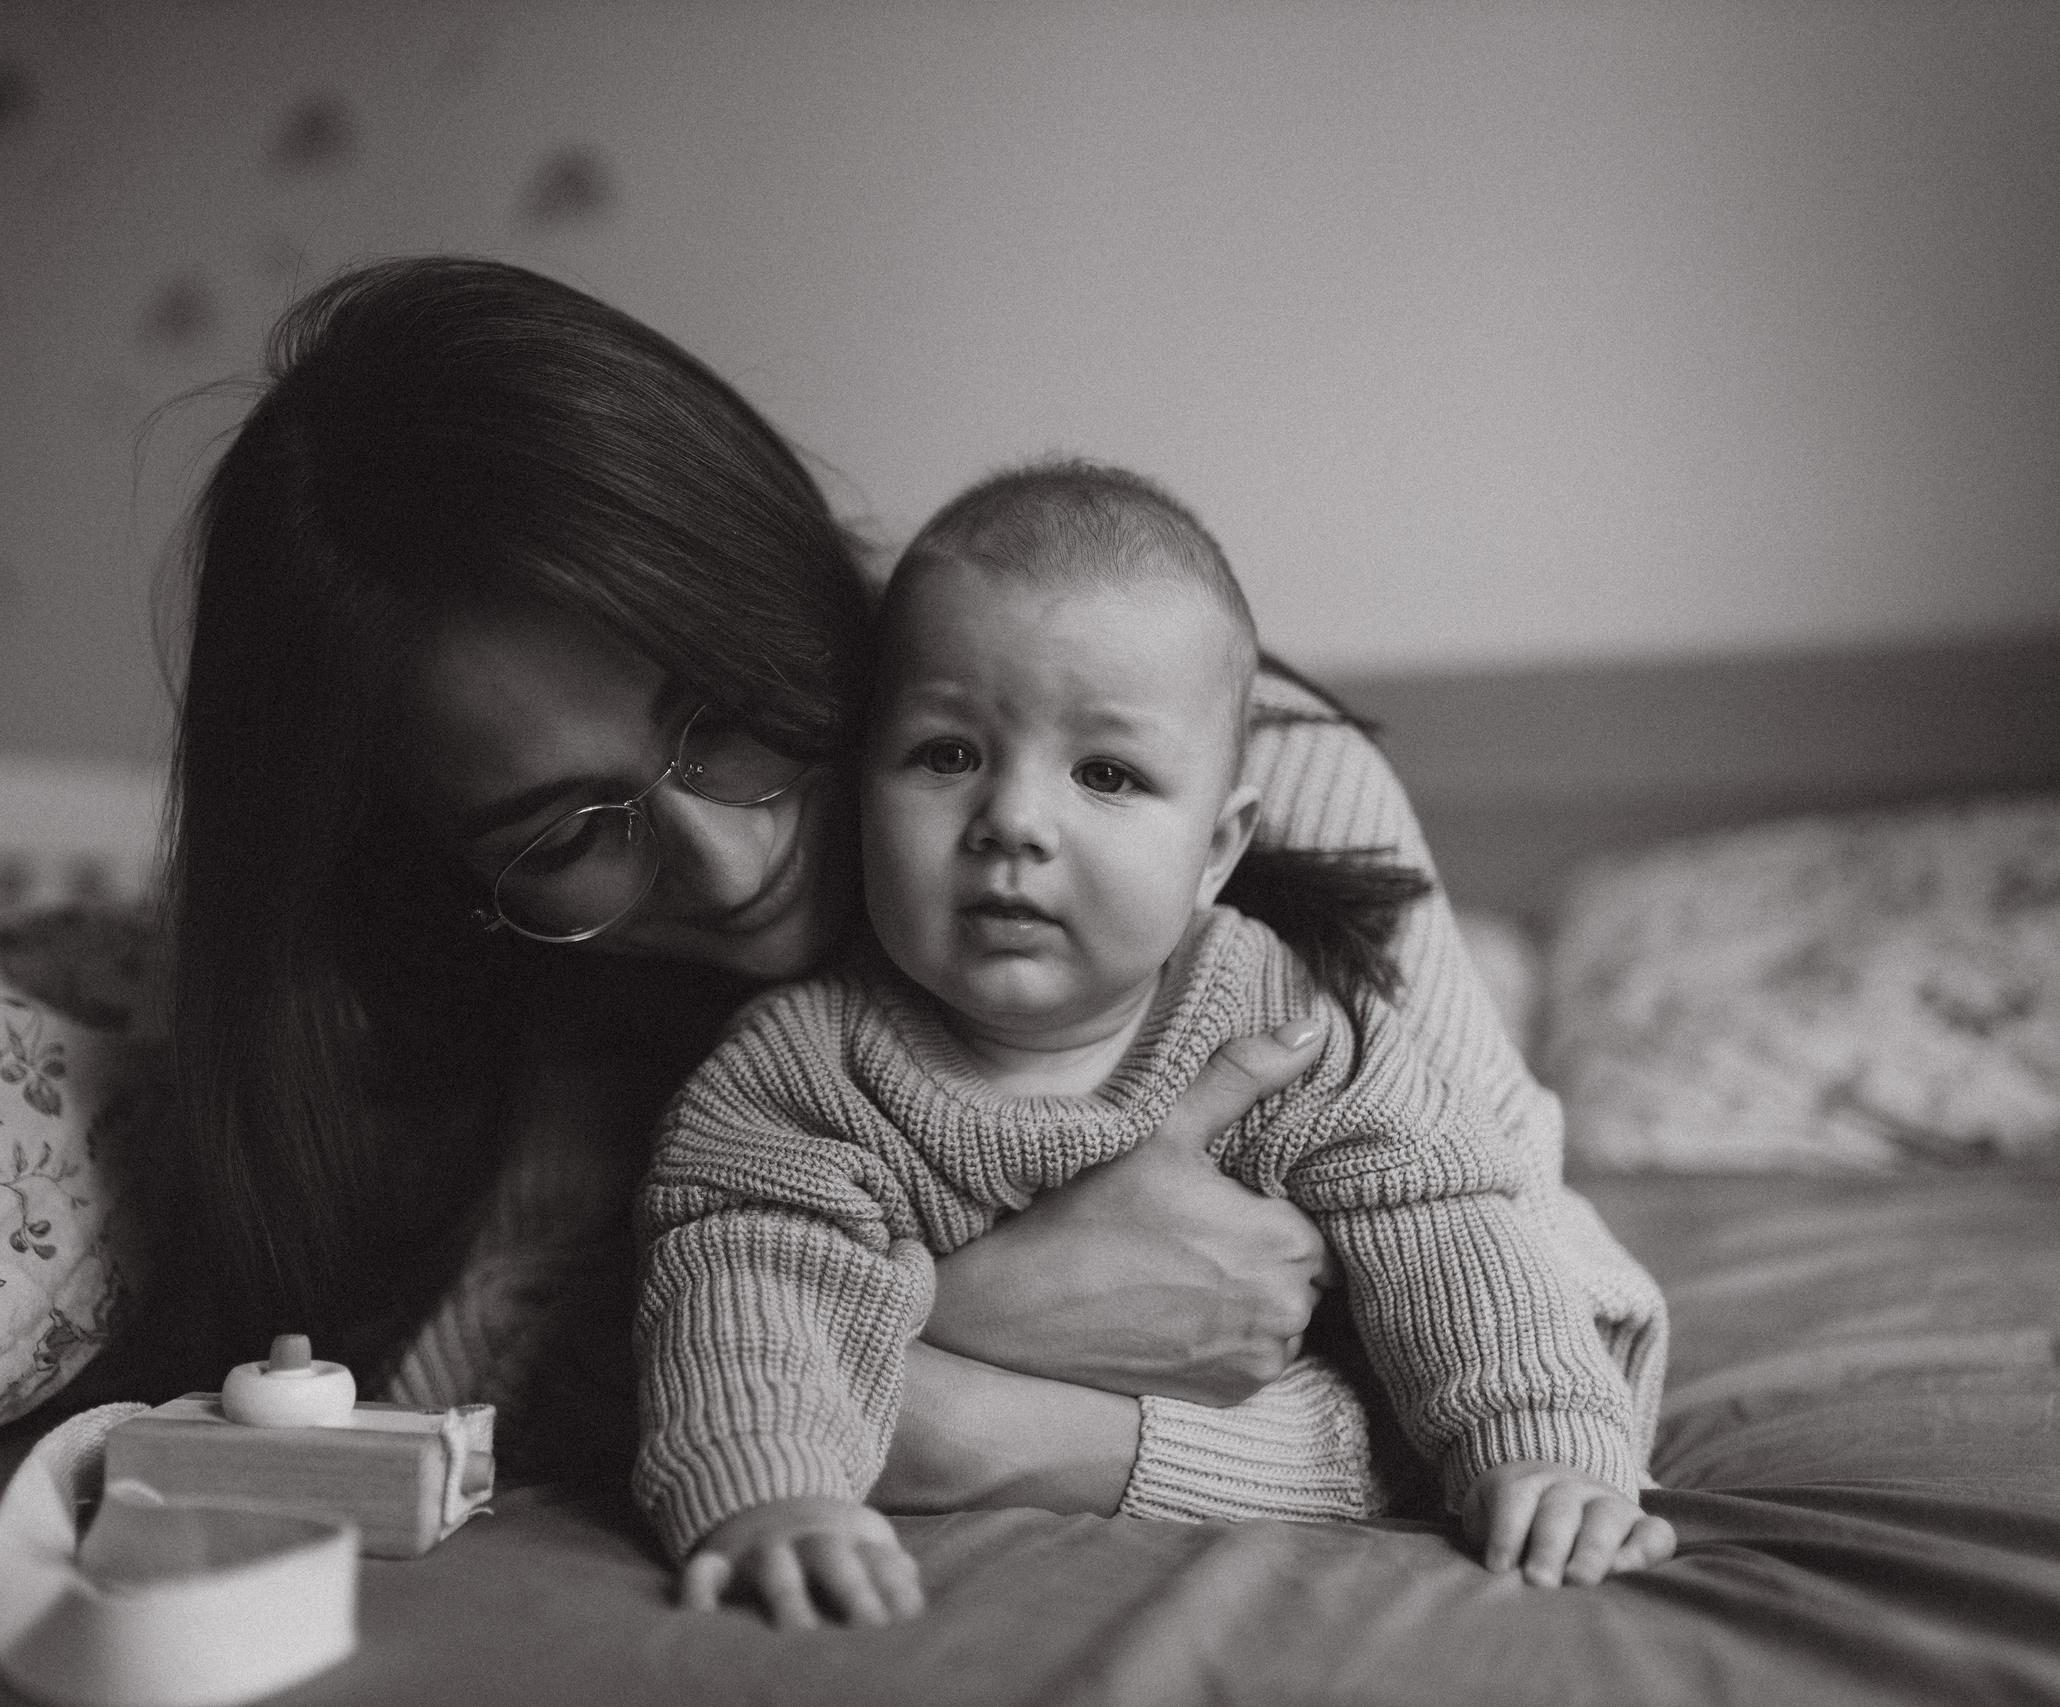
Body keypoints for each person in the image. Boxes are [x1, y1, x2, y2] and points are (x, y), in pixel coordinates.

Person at [135, 255, 1663, 1581]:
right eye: (564, 830)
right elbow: (442, 1400)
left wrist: (934, 1391)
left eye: (733, 717)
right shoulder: (629, 1026)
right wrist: (977, 1347)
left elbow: (1557, 1321)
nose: (731, 868)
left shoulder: (1262, 798)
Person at [633, 462, 1675, 1628]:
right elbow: (748, 1296)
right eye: (944, 754)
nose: (1014, 822)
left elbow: (1449, 1230)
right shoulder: (798, 1076)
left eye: (1106, 774)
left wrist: (1537, 1447)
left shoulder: (1287, 1024)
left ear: (1219, 850)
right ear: (855, 788)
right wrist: (769, 1497)